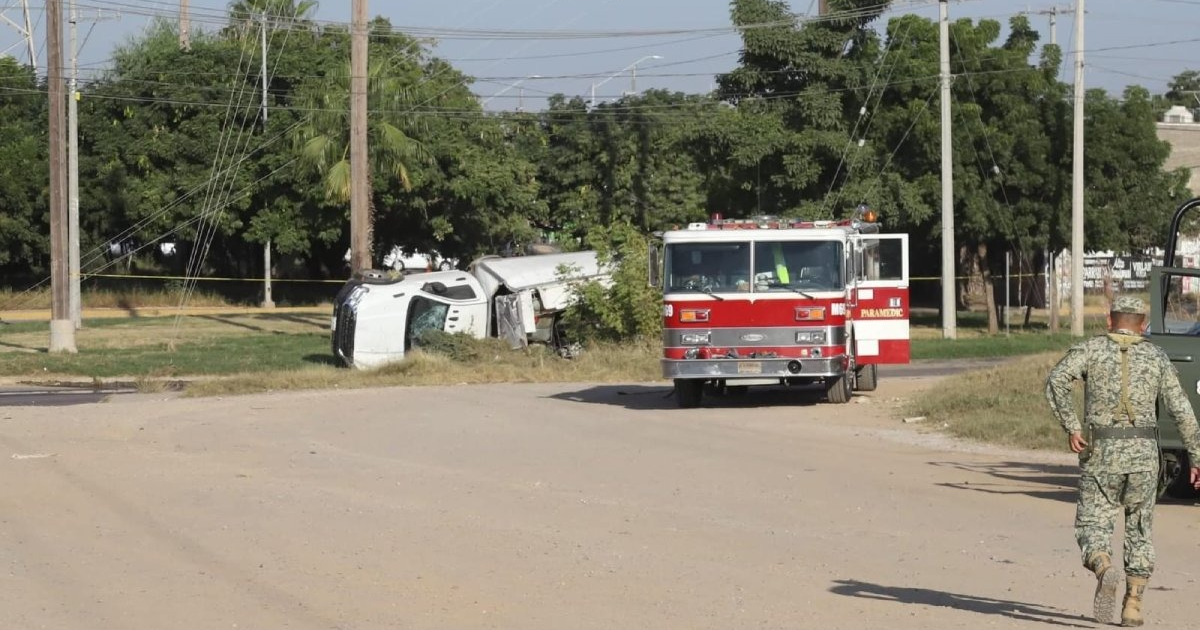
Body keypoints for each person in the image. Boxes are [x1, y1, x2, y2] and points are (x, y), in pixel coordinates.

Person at [1045, 296, 1200, 626]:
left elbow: (1056, 380)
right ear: (1144, 325)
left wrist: (1072, 426)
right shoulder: (1157, 355)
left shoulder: (1090, 349)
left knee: (1093, 525)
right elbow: (1183, 411)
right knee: (1140, 530)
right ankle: (1133, 605)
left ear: (1109, 321)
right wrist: (1197, 458)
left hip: (1102, 453)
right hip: (1145, 457)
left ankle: (1103, 565)